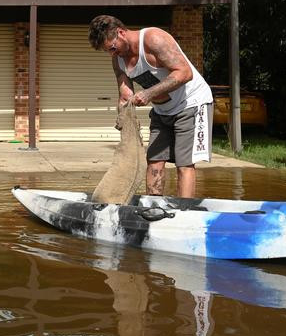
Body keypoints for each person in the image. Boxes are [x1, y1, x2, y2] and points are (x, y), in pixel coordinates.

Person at [89, 15, 213, 198]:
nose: (112, 54)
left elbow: (185, 73)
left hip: (192, 103)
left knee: (184, 164)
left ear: (121, 33)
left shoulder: (153, 39)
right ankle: (153, 207)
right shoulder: (118, 60)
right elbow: (125, 96)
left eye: (112, 48)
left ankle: (186, 213)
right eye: (108, 51)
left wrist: (148, 94)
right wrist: (122, 117)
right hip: (162, 110)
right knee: (154, 161)